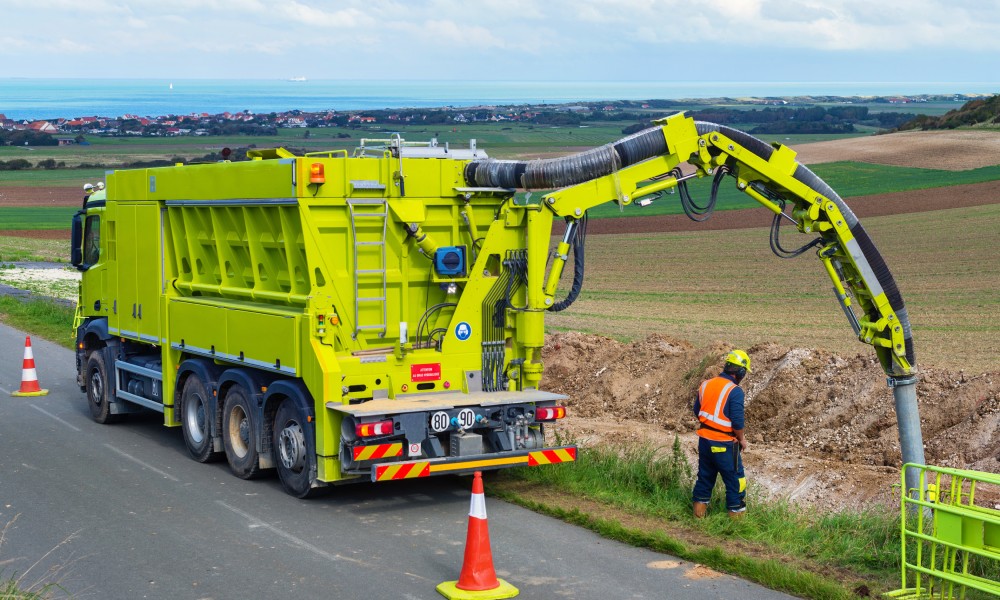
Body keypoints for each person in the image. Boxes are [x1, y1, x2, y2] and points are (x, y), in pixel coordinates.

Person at [692, 349, 751, 519]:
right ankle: (737, 528)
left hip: (704, 440)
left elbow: (698, 410)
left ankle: (698, 520)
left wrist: (711, 425)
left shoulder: (706, 384)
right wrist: (742, 439)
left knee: (704, 479)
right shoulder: (735, 391)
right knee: (736, 482)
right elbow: (737, 421)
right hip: (724, 444)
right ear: (740, 371)